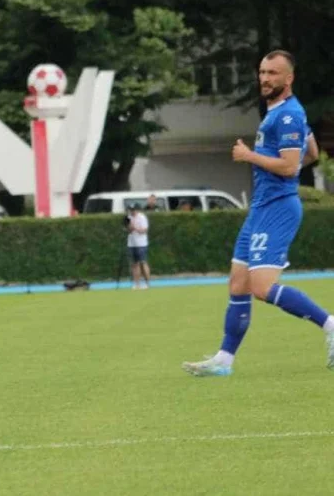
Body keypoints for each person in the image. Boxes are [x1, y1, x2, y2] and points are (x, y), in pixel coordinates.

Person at [183, 50, 333, 377]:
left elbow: (292, 164)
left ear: (288, 78)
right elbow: (311, 153)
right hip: (262, 208)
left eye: (273, 73)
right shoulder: (277, 111)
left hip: (278, 209)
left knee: (261, 287)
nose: (265, 78)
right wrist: (280, 166)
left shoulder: (288, 115)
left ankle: (330, 324)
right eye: (262, 72)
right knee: (238, 283)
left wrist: (251, 156)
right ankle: (224, 360)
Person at [126, 205, 150, 290]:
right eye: (131, 210)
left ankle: (147, 283)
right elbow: (127, 231)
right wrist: (129, 227)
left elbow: (144, 230)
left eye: (133, 210)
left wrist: (134, 227)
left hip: (141, 243)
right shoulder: (128, 218)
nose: (132, 212)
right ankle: (137, 284)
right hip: (131, 243)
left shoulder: (142, 217)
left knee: (143, 262)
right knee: (134, 264)